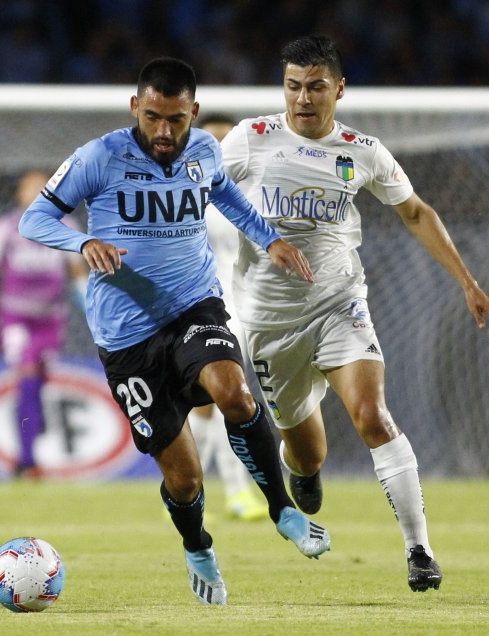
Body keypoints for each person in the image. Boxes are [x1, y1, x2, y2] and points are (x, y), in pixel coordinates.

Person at [18, 57, 331, 606]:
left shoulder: (205, 151)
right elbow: (34, 219)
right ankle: (198, 546)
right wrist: (82, 242)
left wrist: (270, 237)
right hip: (125, 336)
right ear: (135, 106)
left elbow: (226, 196)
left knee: (231, 389)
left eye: (177, 120)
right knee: (185, 479)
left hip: (193, 307)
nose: (165, 132)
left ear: (195, 112)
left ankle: (282, 509)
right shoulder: (99, 156)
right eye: (155, 117)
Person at [219, 35, 489, 592]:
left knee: (372, 415)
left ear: (339, 89)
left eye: (315, 86)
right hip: (268, 323)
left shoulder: (363, 150)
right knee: (305, 452)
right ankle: (304, 474)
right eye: (293, 86)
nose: (303, 98)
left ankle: (419, 549)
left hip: (339, 303)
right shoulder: (248, 140)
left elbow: (416, 212)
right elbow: (195, 189)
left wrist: (468, 283)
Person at [0, 170, 89, 478]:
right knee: (27, 377)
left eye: (40, 188)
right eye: (28, 188)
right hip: (16, 318)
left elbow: (78, 274)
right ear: (19, 194)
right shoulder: (4, 229)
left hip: (51, 320)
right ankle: (27, 462)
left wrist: (91, 304)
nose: (34, 193)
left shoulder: (66, 227)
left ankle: (31, 423)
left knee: (37, 384)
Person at [185, 113, 266, 522]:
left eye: (226, 139)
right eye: (211, 139)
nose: (219, 147)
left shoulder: (255, 193)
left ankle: (180, 487)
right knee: (226, 398)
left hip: (251, 307)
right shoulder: (189, 195)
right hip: (207, 306)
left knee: (210, 405)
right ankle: (236, 492)